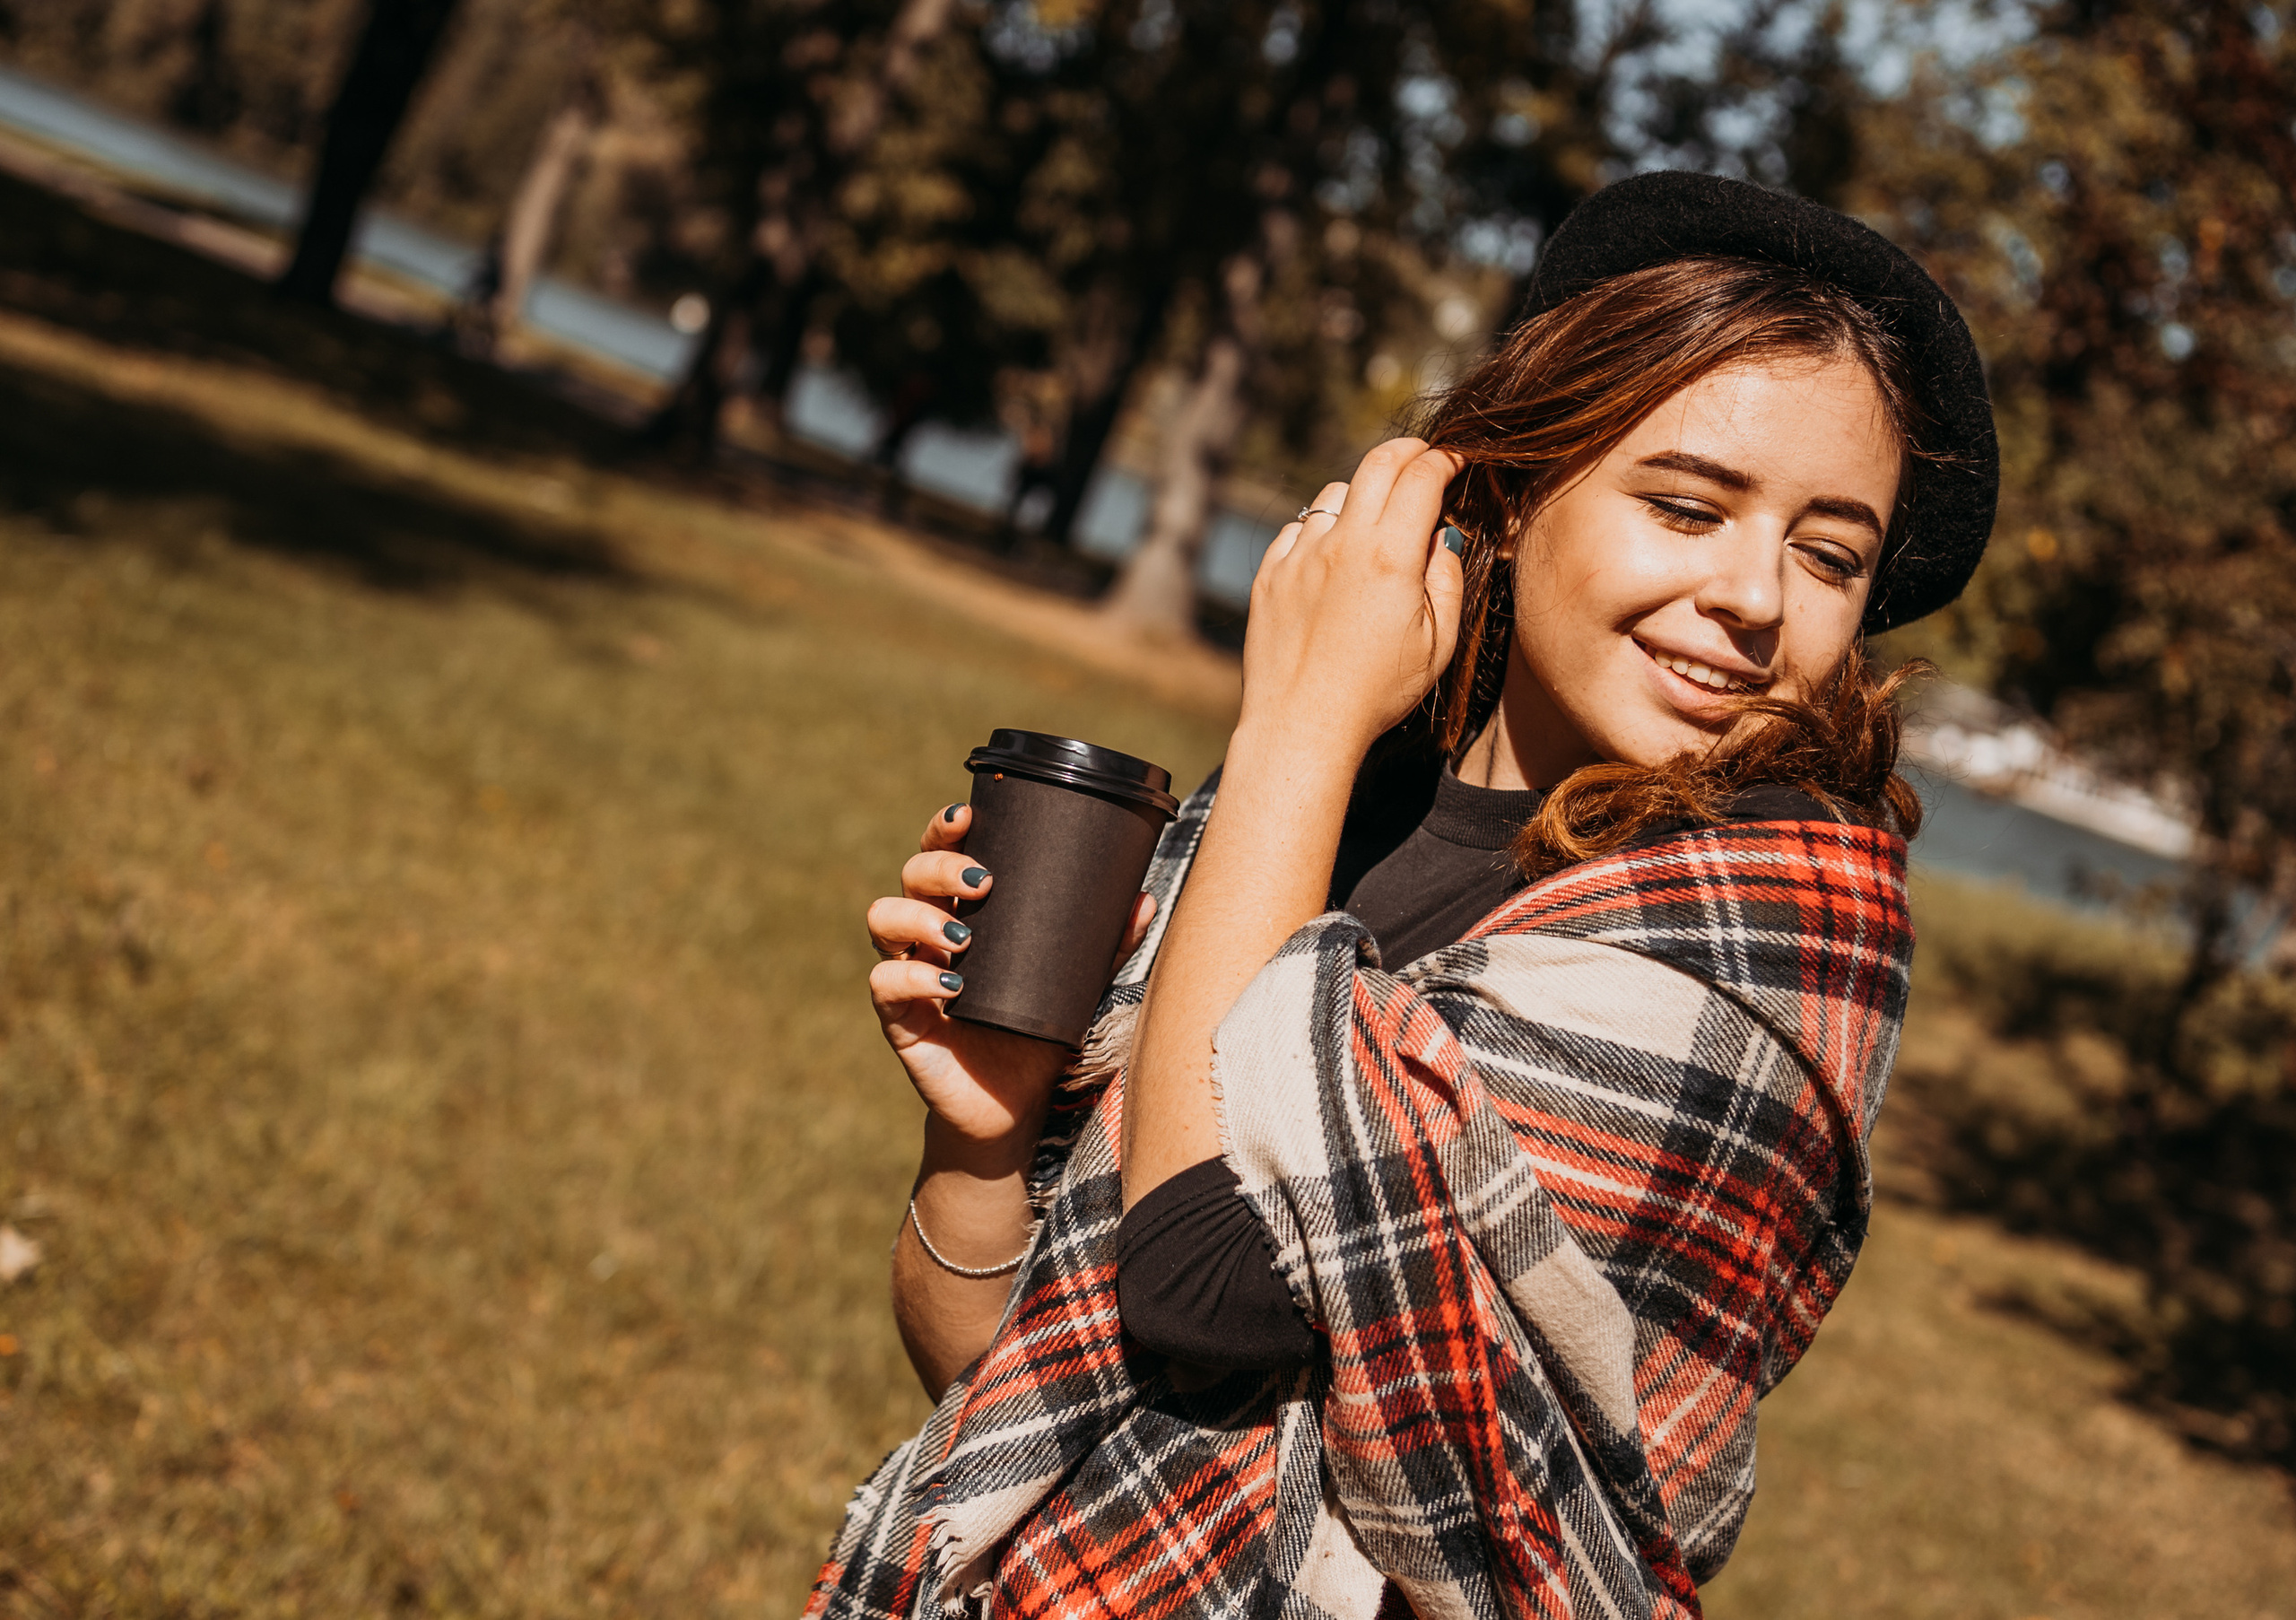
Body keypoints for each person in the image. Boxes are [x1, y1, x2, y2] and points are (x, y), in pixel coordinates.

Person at [817, 171, 1998, 1619]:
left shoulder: (1760, 951)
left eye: (1830, 553)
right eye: (1689, 507)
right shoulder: (1334, 815)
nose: (1758, 596)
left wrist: (1298, 717)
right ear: (1513, 487)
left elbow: (1208, 1288)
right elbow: (1016, 1396)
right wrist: (984, 1134)